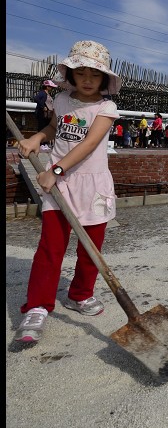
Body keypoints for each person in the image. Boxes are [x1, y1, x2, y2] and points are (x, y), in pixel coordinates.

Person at [13, 40, 122, 343]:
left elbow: (88, 145)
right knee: (50, 248)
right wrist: (37, 138)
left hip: (93, 186)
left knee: (90, 249)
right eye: (82, 72)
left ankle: (80, 294)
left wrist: (55, 170)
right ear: (71, 74)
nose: (87, 80)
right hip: (59, 187)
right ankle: (37, 306)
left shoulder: (106, 107)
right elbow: (54, 128)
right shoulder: (60, 100)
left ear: (104, 79)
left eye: (94, 74)